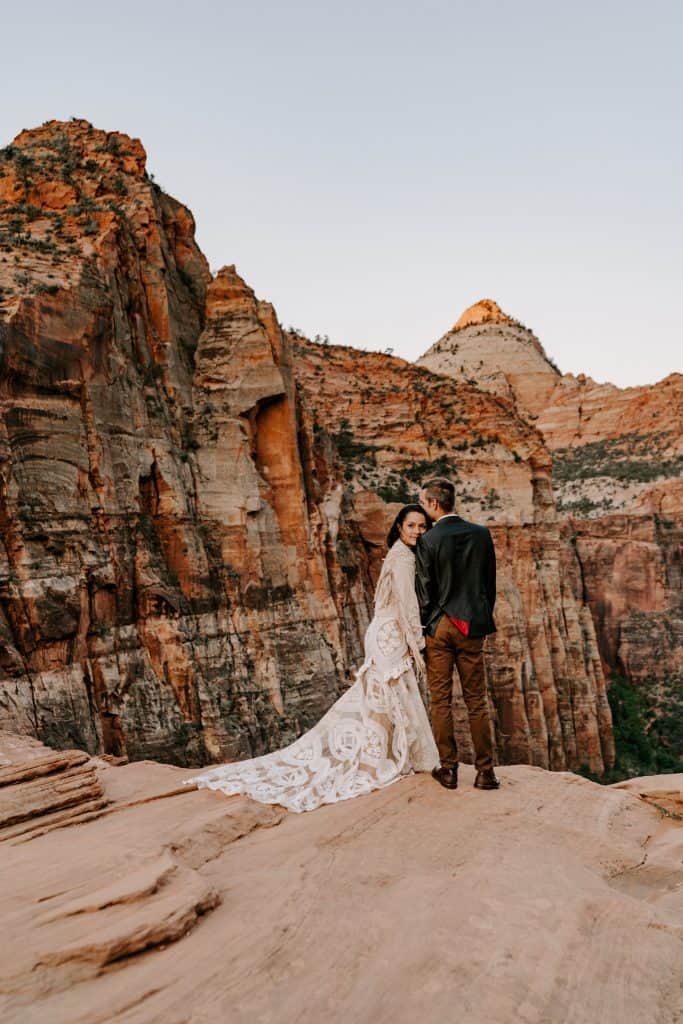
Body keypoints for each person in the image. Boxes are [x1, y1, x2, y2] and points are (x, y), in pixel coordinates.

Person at [186, 505, 438, 812]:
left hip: (384, 631)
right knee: (386, 694)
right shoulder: (403, 559)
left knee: (382, 695)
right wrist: (417, 640)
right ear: (399, 527)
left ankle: (378, 758)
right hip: (391, 635)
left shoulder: (400, 554)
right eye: (411, 525)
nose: (416, 531)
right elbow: (407, 604)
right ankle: (375, 764)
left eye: (422, 526)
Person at [415, 477, 500, 791]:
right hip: (471, 627)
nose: (424, 510)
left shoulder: (429, 540)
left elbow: (424, 591)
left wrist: (429, 626)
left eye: (424, 504)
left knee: (441, 701)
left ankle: (448, 770)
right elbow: (488, 585)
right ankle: (485, 772)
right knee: (476, 700)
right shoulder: (481, 534)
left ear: (434, 504)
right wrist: (478, 617)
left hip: (440, 627)